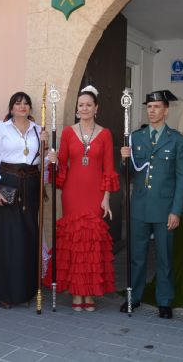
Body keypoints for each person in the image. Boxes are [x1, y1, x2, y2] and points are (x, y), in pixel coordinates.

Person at [45, 85, 119, 311]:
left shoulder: (105, 134)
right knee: (75, 242)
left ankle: (89, 293)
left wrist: (106, 198)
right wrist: (53, 158)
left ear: (96, 108)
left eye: (88, 105)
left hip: (95, 193)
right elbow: (62, 165)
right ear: (77, 109)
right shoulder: (68, 132)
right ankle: (77, 293)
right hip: (72, 192)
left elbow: (109, 168)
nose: (84, 108)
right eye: (81, 105)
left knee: (91, 242)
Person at [120, 90, 183, 319]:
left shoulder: (177, 140)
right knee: (137, 255)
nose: (152, 111)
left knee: (164, 256)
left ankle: (165, 300)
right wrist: (123, 159)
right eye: (149, 107)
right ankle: (134, 296)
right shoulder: (135, 138)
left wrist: (176, 211)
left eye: (157, 107)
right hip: (139, 207)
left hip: (164, 209)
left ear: (166, 110)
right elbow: (128, 174)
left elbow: (182, 179)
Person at [0, 92, 46, 309]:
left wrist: (49, 154)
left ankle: (27, 291)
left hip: (30, 188)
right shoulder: (1, 128)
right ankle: (6, 293)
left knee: (29, 239)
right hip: (7, 186)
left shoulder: (39, 130)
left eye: (26, 103)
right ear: (11, 107)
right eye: (18, 103)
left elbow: (42, 163)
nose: (22, 106)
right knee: (7, 240)